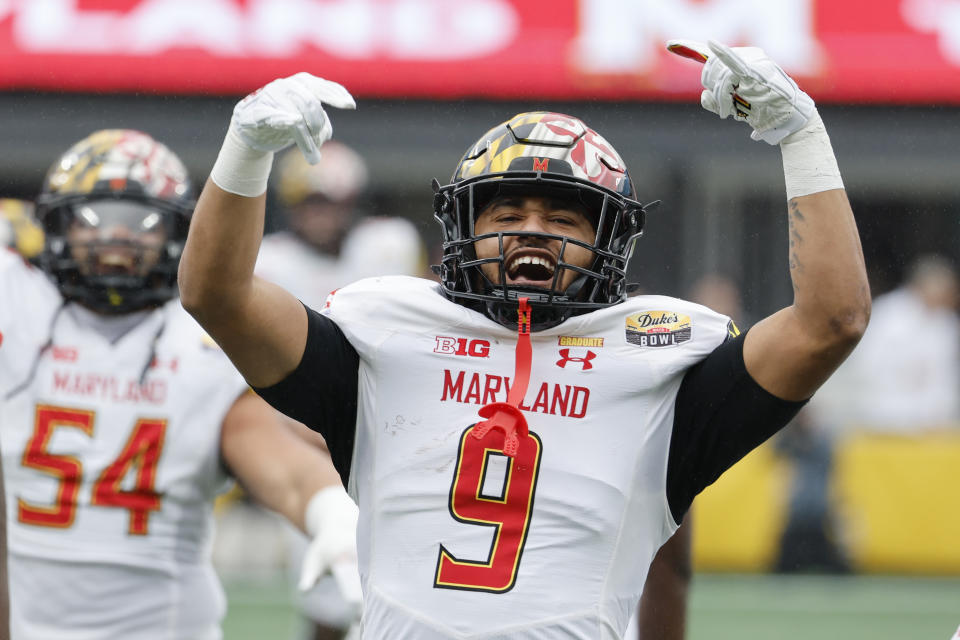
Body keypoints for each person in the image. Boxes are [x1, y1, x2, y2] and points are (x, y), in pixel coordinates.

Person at [179, 37, 870, 639]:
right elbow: (218, 295)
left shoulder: (660, 374)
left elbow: (830, 323)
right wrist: (245, 154)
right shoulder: (385, 344)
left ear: (611, 241)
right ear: (462, 231)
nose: (533, 229)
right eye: (507, 209)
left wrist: (798, 134)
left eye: (566, 218)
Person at [0, 129, 358, 639]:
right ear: (57, 223)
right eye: (94, 220)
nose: (116, 239)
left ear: (178, 233)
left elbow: (285, 468)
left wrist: (332, 514)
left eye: (140, 222)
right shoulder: (18, 308)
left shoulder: (199, 348)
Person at [254, 144, 424, 640]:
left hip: (386, 430)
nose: (321, 213)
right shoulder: (273, 260)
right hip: (306, 439)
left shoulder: (387, 243)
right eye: (310, 202)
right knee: (329, 595)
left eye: (329, 201)